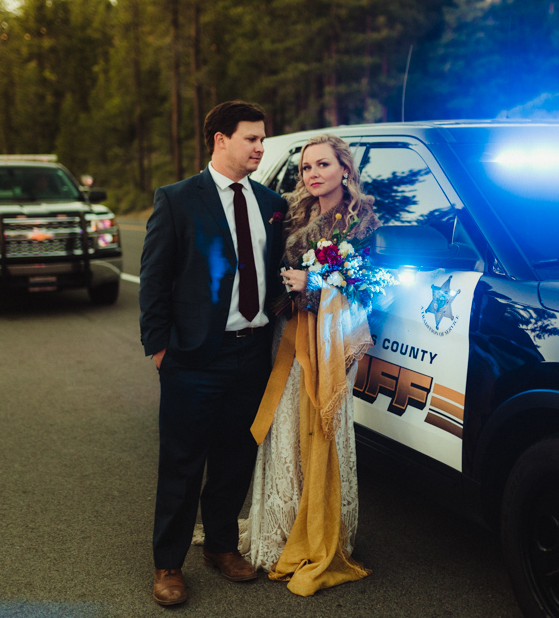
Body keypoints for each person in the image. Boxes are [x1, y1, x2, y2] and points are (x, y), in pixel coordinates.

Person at [139, 100, 287, 607]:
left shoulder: (272, 202)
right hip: (194, 358)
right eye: (251, 138)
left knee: (235, 458)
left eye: (263, 139)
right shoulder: (178, 199)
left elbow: (273, 276)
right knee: (182, 463)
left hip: (252, 355)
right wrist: (159, 349)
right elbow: (154, 281)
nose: (260, 148)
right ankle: (168, 564)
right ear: (220, 139)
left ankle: (221, 547)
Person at [245, 133, 379, 596]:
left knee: (322, 428)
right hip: (291, 336)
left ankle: (319, 533)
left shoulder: (361, 220)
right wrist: (291, 289)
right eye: (305, 168)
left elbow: (371, 287)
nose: (312, 174)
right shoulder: (297, 215)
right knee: (285, 428)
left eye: (322, 165)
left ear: (345, 168)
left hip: (331, 345)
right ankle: (281, 526)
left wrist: (317, 282)